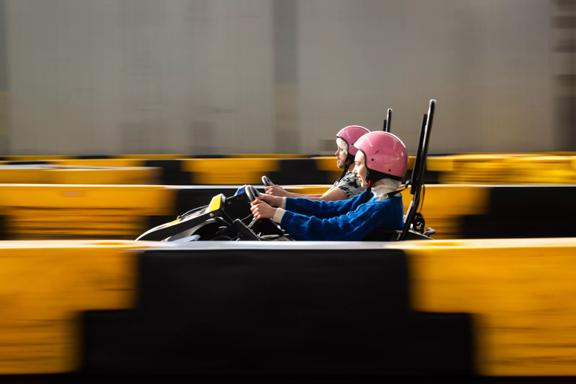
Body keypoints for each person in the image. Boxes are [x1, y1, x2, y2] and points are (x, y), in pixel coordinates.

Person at [250, 131, 408, 241]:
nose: (355, 170)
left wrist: (277, 214)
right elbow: (329, 209)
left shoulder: (381, 208)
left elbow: (332, 230)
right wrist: (280, 203)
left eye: (359, 164)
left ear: (377, 166)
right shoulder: (375, 197)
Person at [265, 125, 370, 201]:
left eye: (341, 149)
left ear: (353, 152)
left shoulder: (356, 180)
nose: (336, 153)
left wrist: (284, 196)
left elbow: (323, 201)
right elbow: (324, 196)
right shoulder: (350, 176)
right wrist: (285, 195)